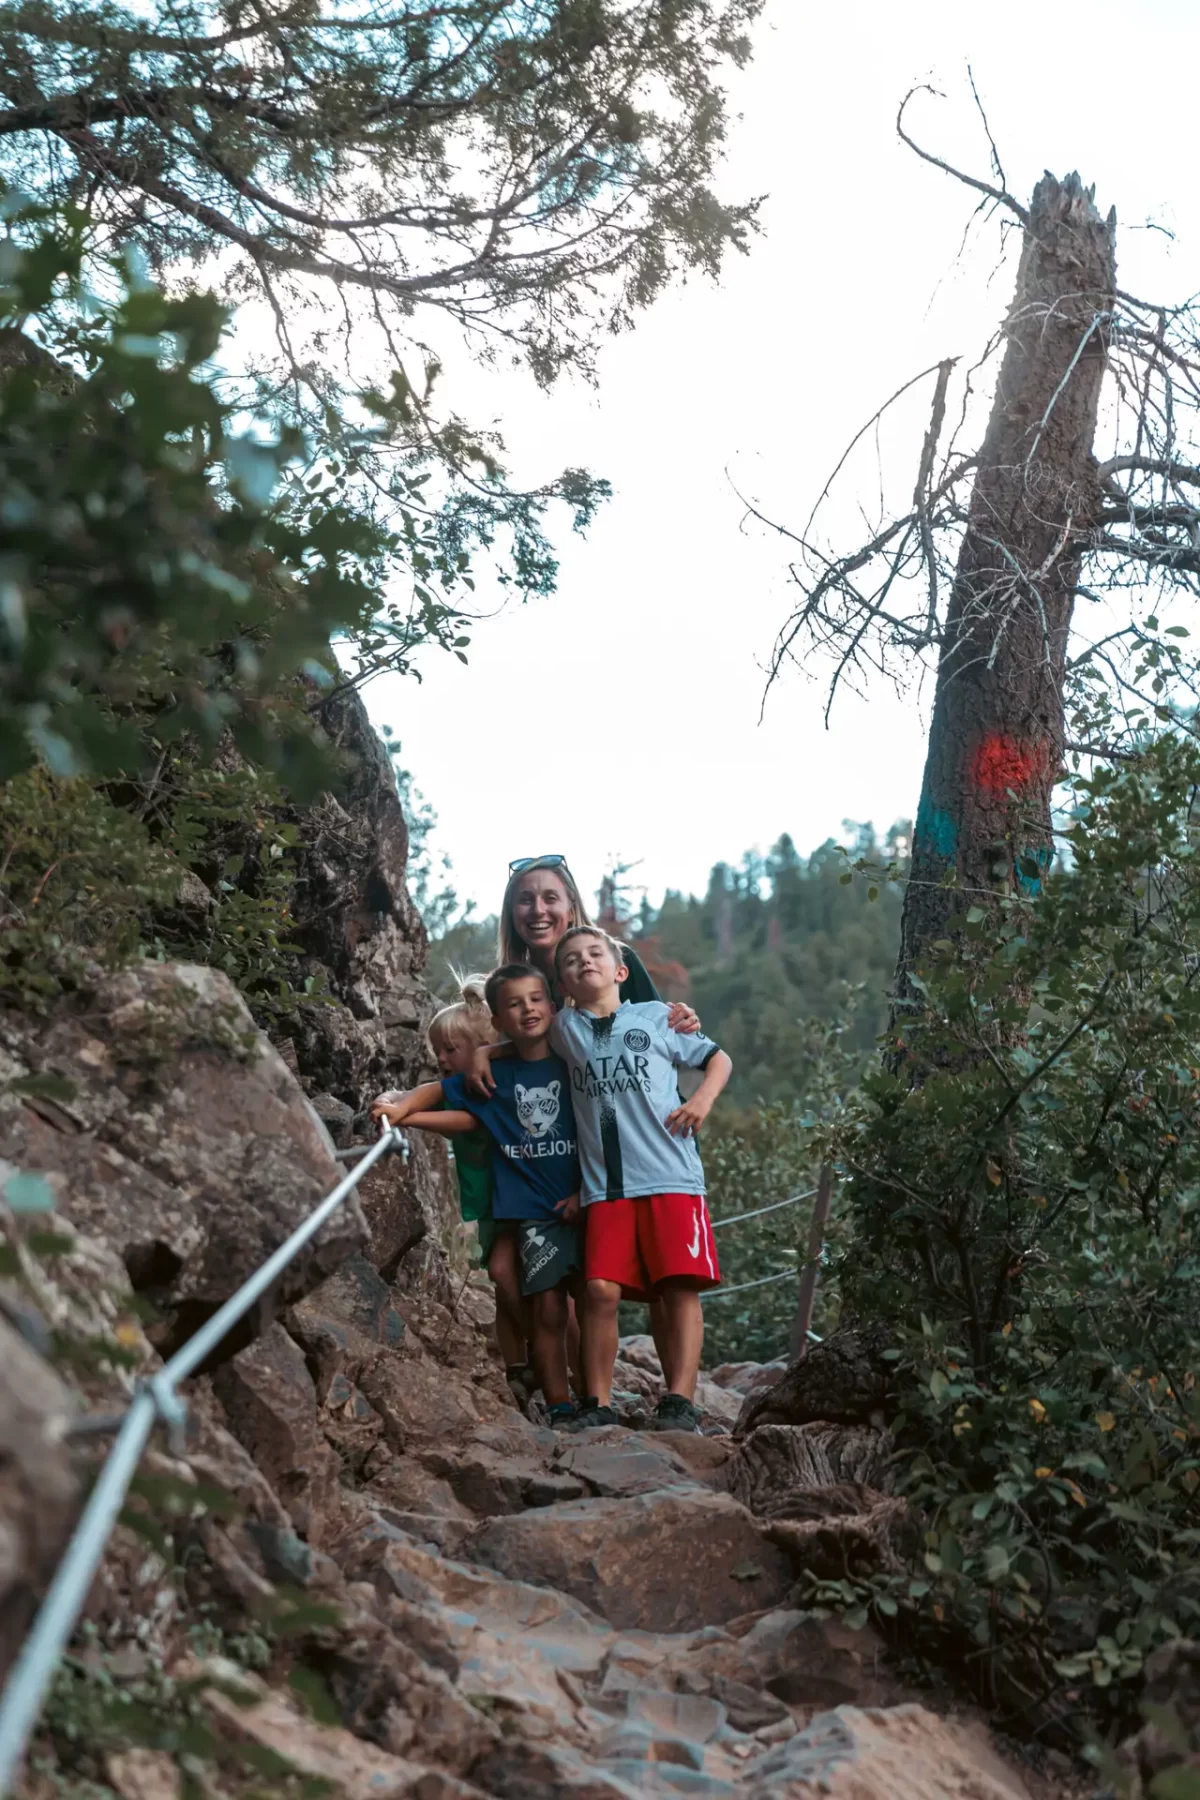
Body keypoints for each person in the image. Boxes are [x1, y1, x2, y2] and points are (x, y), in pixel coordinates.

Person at [374, 963, 584, 1429]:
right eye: (438, 1050)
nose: (444, 1057)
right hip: (504, 1206)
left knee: (548, 1295)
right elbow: (435, 1092)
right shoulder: (478, 1083)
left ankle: (582, 1388)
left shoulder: (517, 1077)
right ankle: (527, 1368)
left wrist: (406, 1115)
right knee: (507, 1280)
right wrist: (400, 1103)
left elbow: (468, 1121)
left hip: (542, 1204)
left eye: (452, 1049)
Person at [550, 925, 732, 1434]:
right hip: (606, 1187)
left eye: (594, 954)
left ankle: (679, 1400)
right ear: (562, 982)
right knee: (601, 1290)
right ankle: (598, 1402)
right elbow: (513, 1044)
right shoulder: (563, 1029)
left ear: (620, 970)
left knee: (678, 1286)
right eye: (571, 960)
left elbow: (718, 1058)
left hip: (670, 1175)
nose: (584, 962)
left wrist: (700, 1100)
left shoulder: (656, 1017)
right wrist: (480, 1055)